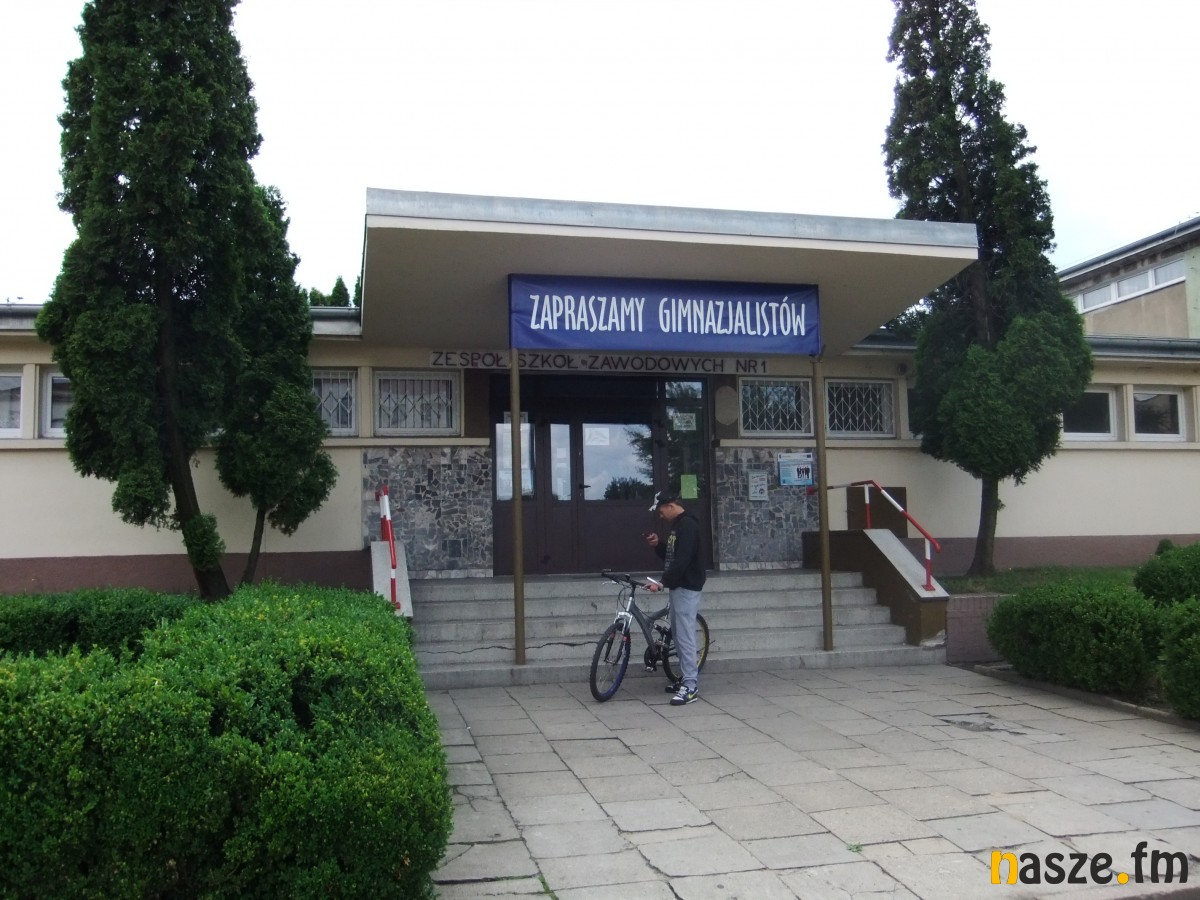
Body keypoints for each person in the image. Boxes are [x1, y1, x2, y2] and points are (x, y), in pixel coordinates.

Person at [644, 490, 706, 705]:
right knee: (679, 636)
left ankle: (690, 686)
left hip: (687, 587)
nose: (660, 516)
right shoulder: (678, 526)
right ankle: (685, 680)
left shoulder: (688, 526)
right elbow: (673, 556)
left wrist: (662, 583)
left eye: (661, 511)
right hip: (679, 586)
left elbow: (682, 561)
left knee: (685, 637)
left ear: (670, 506)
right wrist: (658, 545)